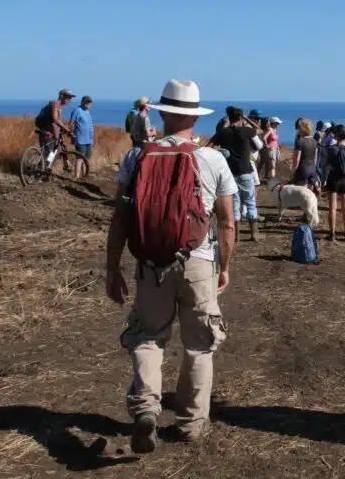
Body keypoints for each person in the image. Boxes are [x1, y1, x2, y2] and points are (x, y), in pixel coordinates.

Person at [105, 79, 236, 453]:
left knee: (147, 337)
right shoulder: (212, 160)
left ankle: (146, 409)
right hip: (199, 262)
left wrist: (112, 268)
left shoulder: (136, 158)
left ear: (162, 113)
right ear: (194, 117)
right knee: (199, 344)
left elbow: (120, 219)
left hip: (150, 264)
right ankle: (192, 422)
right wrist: (223, 265)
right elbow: (226, 221)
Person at [211, 108, 265, 242]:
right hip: (246, 171)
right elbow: (260, 130)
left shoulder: (223, 133)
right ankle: (254, 233)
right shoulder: (246, 131)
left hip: (230, 173)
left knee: (235, 203)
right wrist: (246, 118)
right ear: (240, 118)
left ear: (229, 118)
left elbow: (209, 146)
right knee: (250, 201)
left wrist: (224, 127)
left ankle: (236, 235)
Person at [325, 124, 345, 242]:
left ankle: (332, 234)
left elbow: (326, 164)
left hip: (334, 178)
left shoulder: (332, 149)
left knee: (332, 208)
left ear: (336, 135)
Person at [34, 89, 75, 162]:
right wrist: (67, 129)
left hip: (51, 132)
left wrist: (62, 131)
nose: (70, 99)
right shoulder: (55, 104)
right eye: (68, 97)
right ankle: (40, 168)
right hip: (47, 132)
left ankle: (45, 168)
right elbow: (55, 119)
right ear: (61, 96)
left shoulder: (59, 108)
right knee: (49, 153)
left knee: (52, 153)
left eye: (70, 98)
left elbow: (58, 123)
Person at [292, 119, 321, 195]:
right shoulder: (314, 141)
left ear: (302, 129)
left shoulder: (300, 141)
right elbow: (315, 158)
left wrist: (293, 171)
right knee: (310, 194)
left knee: (302, 193)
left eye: (298, 128)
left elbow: (297, 159)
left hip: (302, 169)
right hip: (312, 169)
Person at [68, 96, 95, 171]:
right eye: (86, 102)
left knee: (86, 158)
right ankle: (76, 177)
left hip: (88, 139)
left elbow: (90, 126)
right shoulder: (77, 110)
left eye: (89, 102)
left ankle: (83, 176)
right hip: (80, 139)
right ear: (82, 102)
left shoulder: (88, 111)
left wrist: (92, 139)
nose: (88, 104)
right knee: (80, 158)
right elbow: (71, 123)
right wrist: (71, 134)